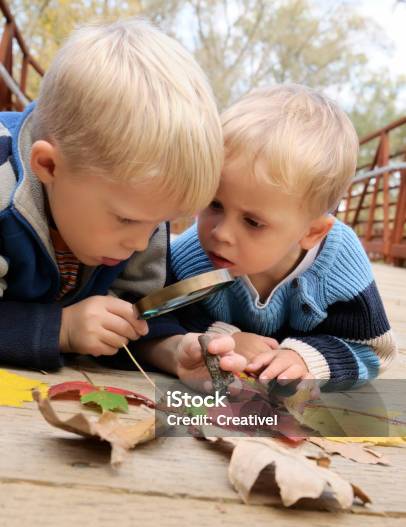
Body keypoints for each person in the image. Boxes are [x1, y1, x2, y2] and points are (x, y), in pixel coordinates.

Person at [0, 18, 245, 381]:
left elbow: (132, 315)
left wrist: (174, 352)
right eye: (127, 220)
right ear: (49, 165)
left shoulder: (138, 207)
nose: (140, 242)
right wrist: (61, 329)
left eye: (161, 221)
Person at [171, 84, 397, 389]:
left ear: (312, 232)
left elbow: (373, 351)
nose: (220, 232)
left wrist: (306, 358)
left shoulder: (340, 264)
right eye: (215, 203)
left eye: (252, 222)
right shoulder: (191, 255)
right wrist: (225, 338)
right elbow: (159, 318)